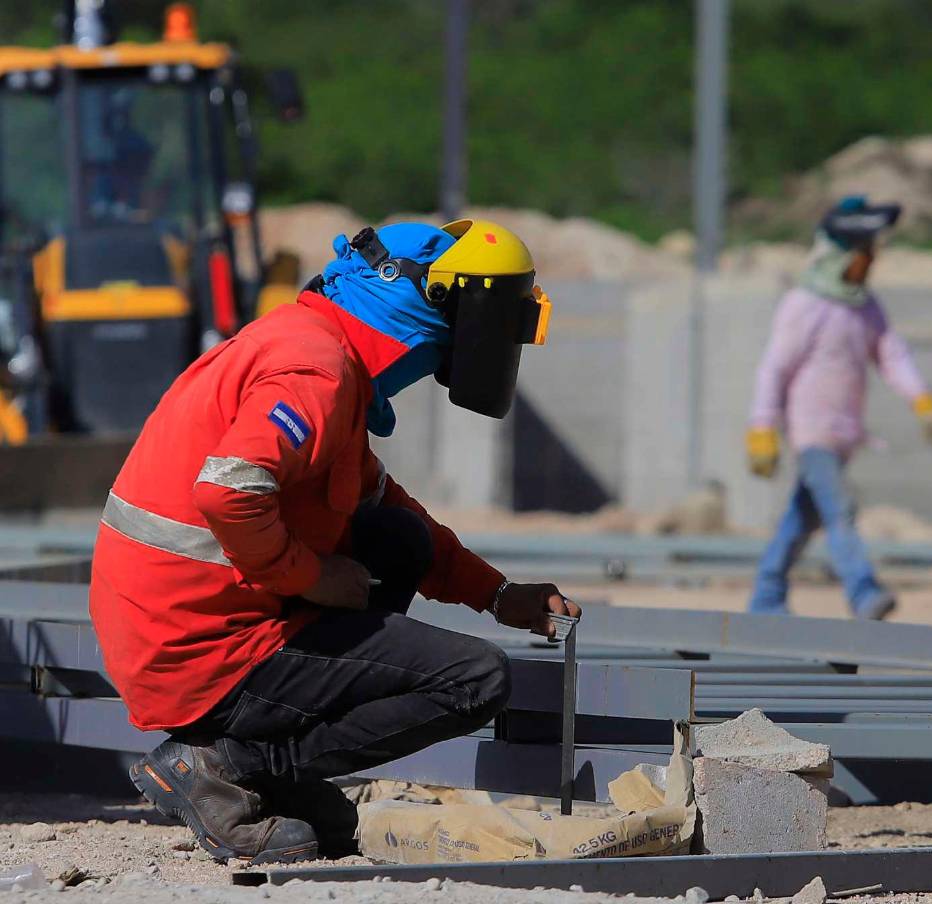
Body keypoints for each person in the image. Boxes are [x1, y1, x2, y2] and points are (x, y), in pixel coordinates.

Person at [90, 219, 578, 865]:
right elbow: (229, 491)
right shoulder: (315, 372)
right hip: (200, 647)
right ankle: (226, 765)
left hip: (189, 621)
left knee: (397, 539)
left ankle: (262, 774)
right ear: (425, 310)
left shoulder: (320, 353)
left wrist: (498, 594)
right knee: (476, 678)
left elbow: (389, 507)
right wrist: (311, 578)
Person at [745, 196, 932, 621]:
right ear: (841, 256)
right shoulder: (805, 305)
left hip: (844, 434)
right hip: (812, 431)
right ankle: (863, 592)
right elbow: (774, 369)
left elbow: (892, 354)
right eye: (865, 254)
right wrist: (762, 428)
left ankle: (766, 595)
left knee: (800, 520)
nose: (871, 263)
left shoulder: (864, 306)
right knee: (841, 509)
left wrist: (921, 398)